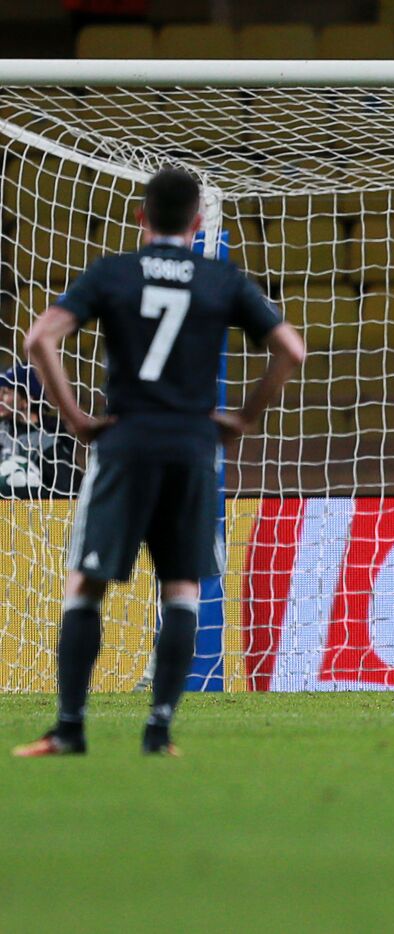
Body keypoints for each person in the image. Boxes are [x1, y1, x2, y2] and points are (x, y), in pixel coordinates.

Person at [13, 167, 305, 757]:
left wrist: (73, 417)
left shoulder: (114, 273)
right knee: (181, 588)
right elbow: (290, 349)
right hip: (192, 449)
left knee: (86, 584)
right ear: (198, 222)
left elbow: (40, 339)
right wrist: (244, 417)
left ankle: (70, 728)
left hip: (127, 441)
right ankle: (160, 732)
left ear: (142, 218)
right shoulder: (221, 278)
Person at [0, 363, 81, 498]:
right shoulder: (3, 431)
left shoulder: (50, 440)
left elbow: (68, 494)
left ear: (28, 398)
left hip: (35, 516)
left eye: (5, 393)